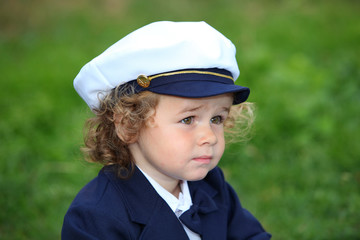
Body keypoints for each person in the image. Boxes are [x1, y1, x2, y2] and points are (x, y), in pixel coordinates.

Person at [62, 21, 271, 240]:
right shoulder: (96, 217)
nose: (209, 137)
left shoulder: (211, 186)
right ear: (128, 124)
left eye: (217, 118)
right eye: (188, 119)